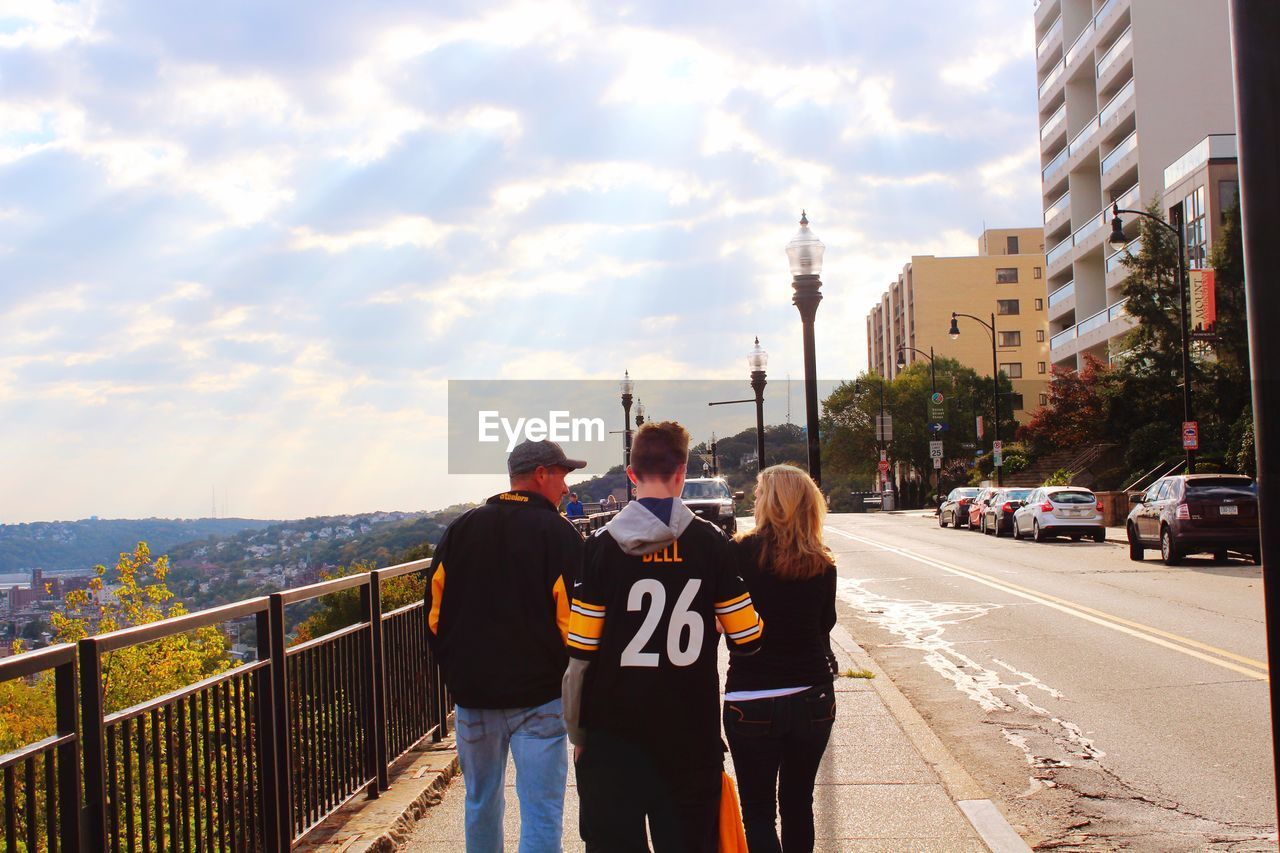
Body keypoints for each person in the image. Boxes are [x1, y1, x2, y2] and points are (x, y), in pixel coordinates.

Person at [563, 420, 763, 852]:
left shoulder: (599, 546)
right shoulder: (711, 544)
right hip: (689, 735)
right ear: (682, 473)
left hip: (612, 736)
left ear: (631, 475)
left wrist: (579, 736)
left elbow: (580, 651)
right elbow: (747, 638)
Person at [424, 439, 587, 853]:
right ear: (540, 474)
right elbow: (574, 625)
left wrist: (456, 673)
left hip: (474, 697)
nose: (566, 488)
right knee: (542, 809)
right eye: (563, 475)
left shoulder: (460, 530)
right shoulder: (558, 533)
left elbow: (434, 616)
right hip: (540, 697)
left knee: (480, 803)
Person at [724, 464, 838, 853]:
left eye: (758, 494)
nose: (754, 500)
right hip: (812, 696)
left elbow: (723, 619)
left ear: (771, 503)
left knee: (757, 812)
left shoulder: (739, 553)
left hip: (751, 695)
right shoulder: (822, 562)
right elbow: (826, 624)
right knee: (798, 805)